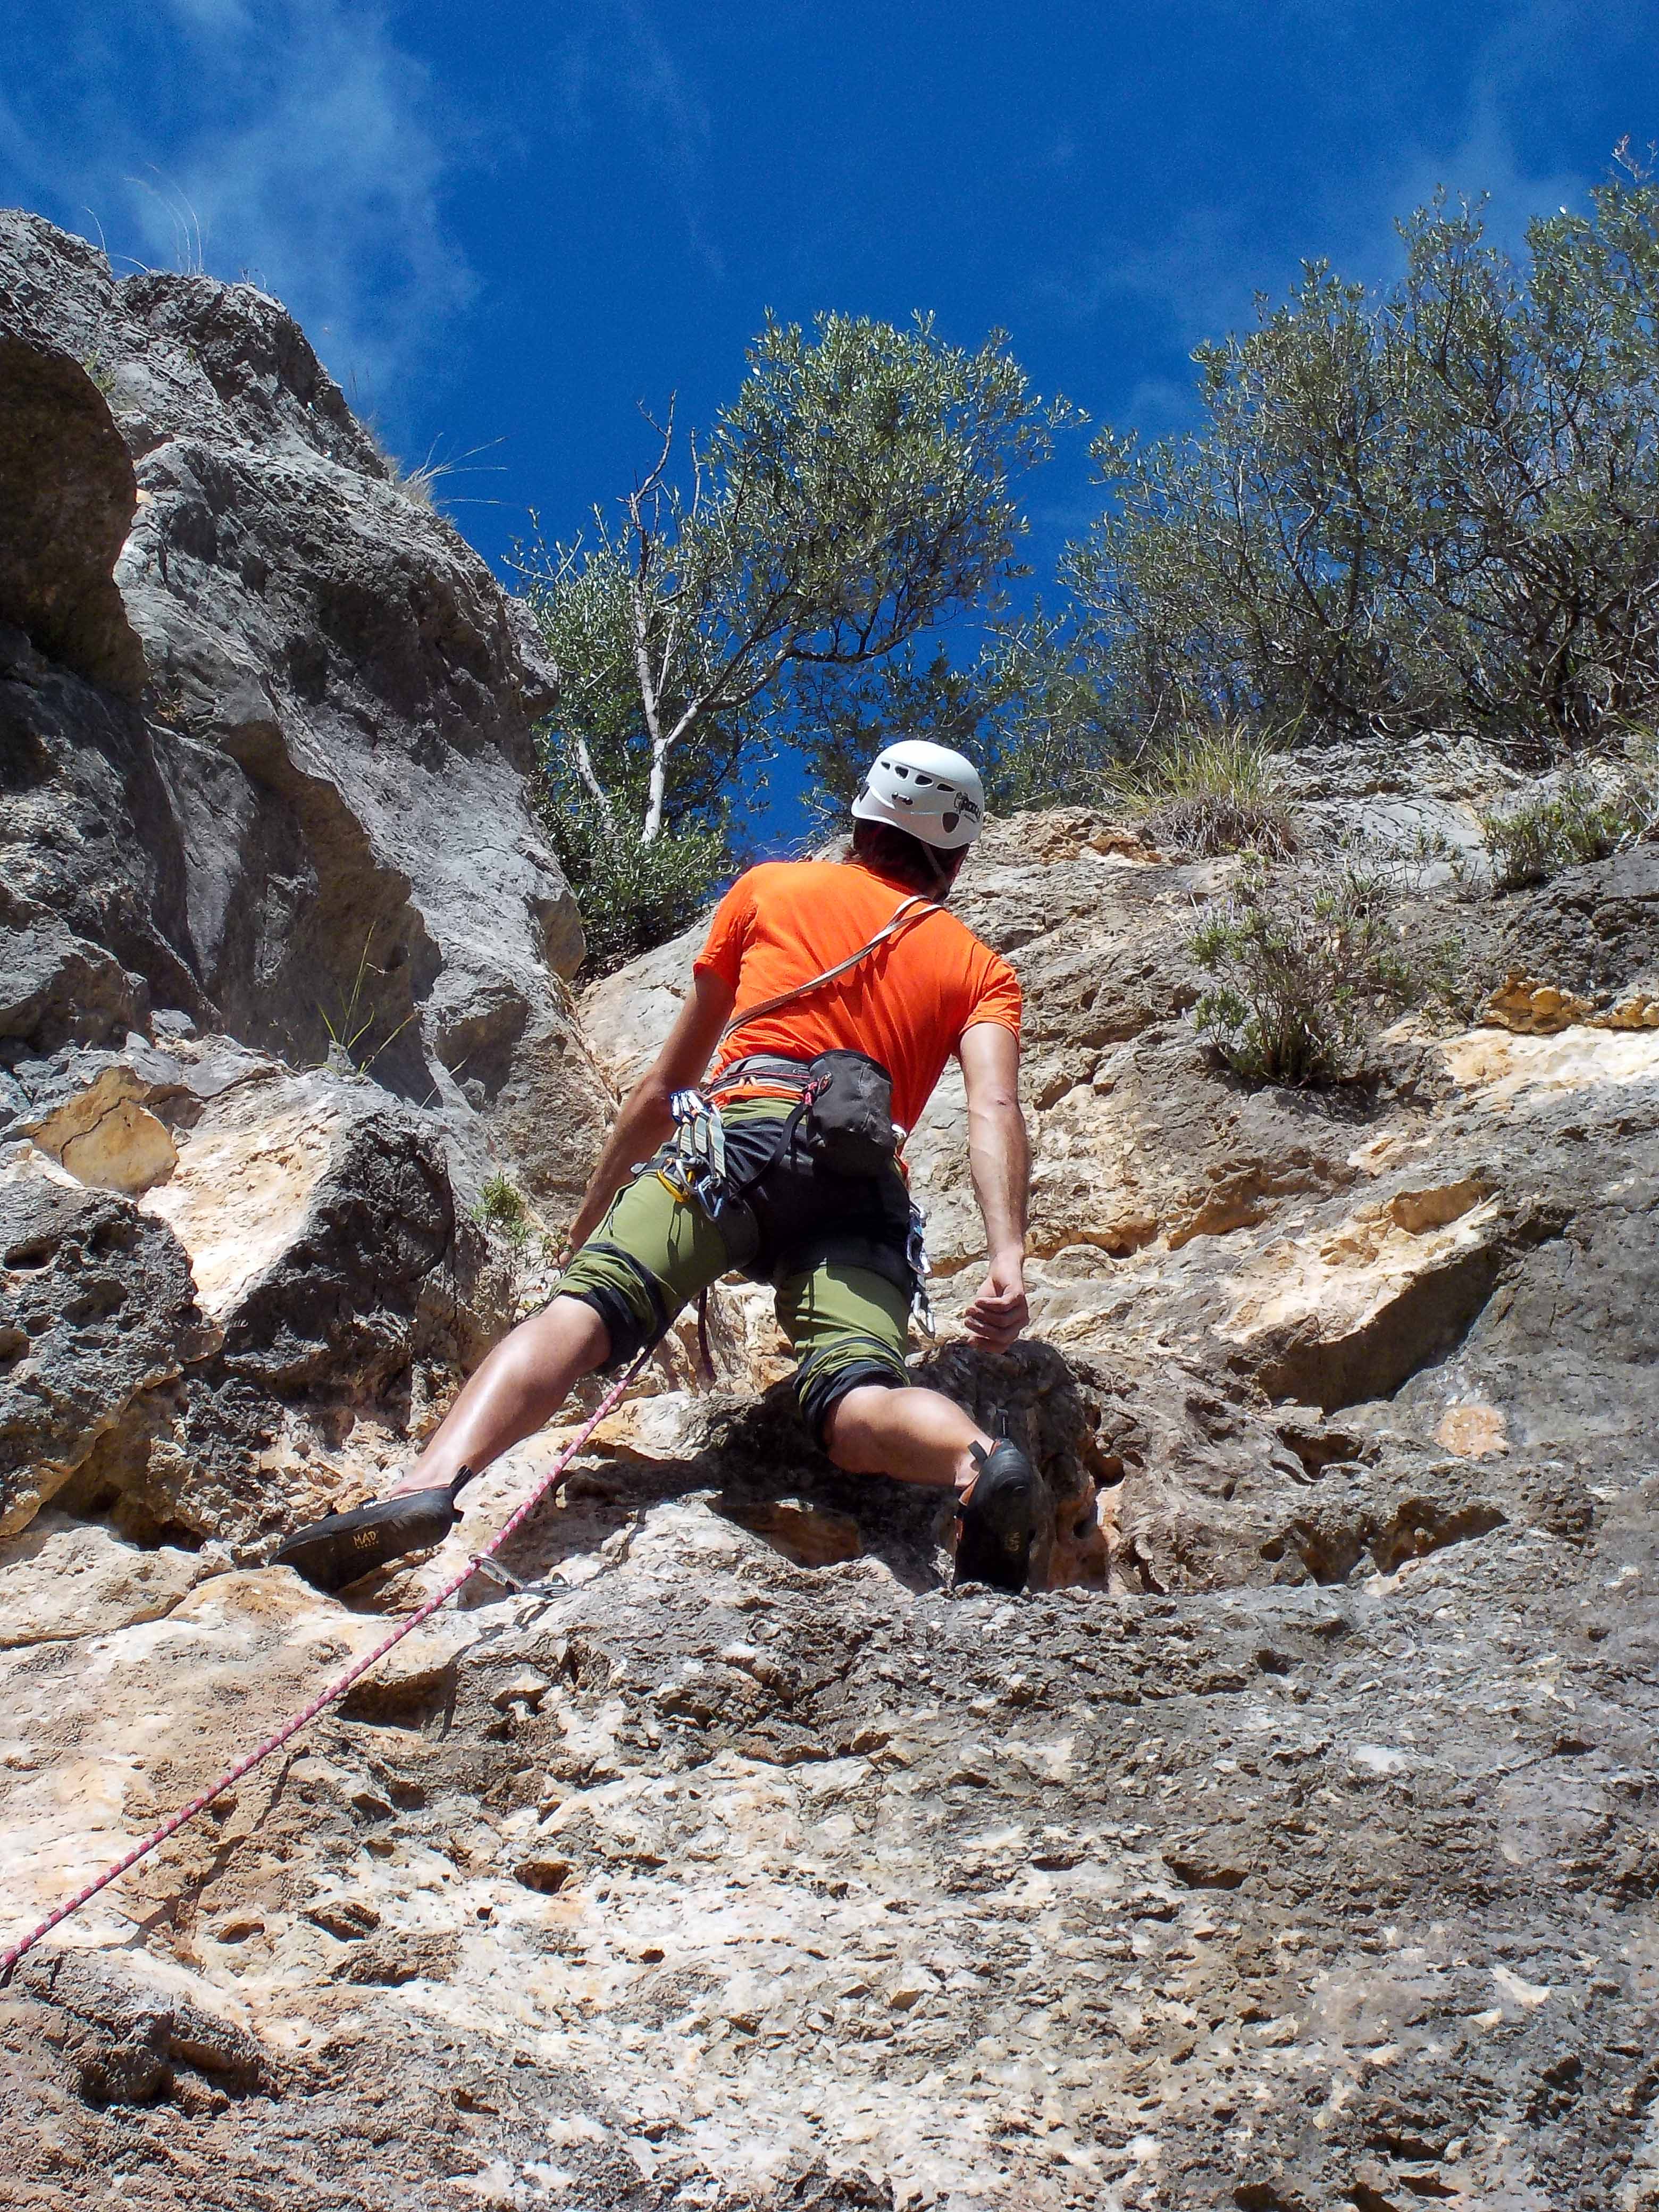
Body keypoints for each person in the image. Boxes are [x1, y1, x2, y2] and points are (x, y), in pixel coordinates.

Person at [275, 739, 1037, 1596]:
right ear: (957, 854)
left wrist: (598, 1207)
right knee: (857, 1399)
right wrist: (1007, 1258)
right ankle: (979, 1462)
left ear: (863, 820)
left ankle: (427, 1486)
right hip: (865, 1190)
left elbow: (668, 1083)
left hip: (738, 1142)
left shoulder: (770, 890)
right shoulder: (980, 967)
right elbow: (994, 1111)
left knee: (584, 1315)